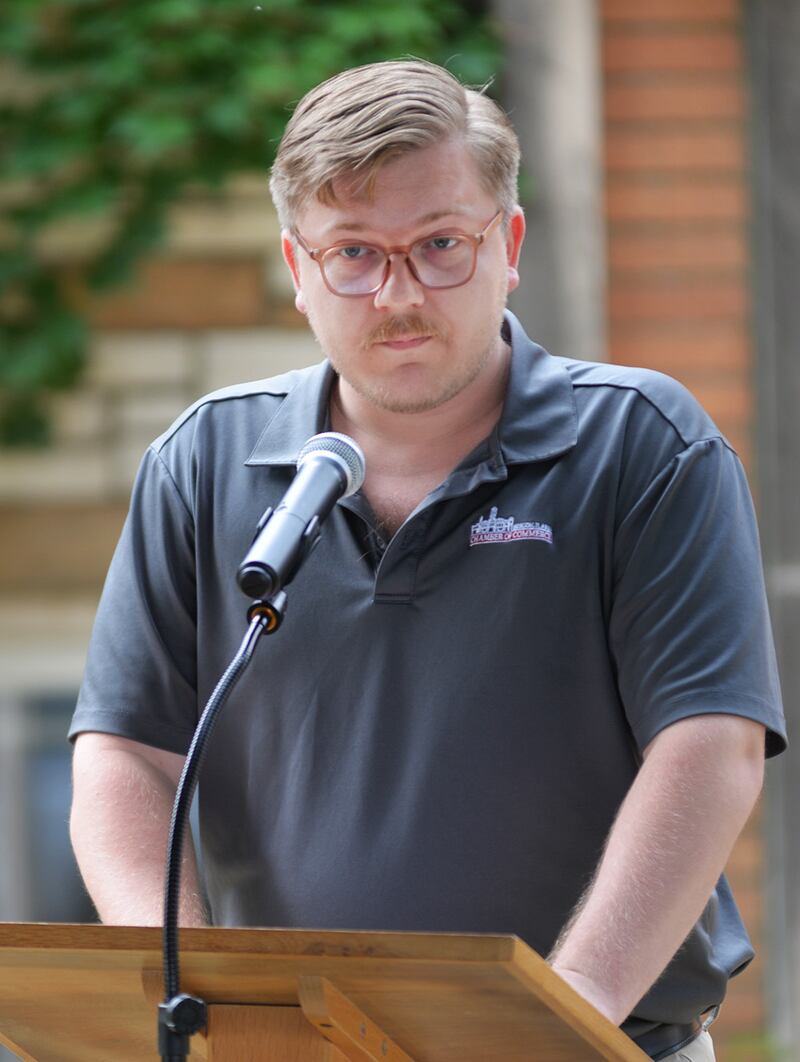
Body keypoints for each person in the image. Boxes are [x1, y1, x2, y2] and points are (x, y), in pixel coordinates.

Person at [69, 59, 785, 1061]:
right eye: (353, 254)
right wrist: (191, 998)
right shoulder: (202, 462)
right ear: (296, 268)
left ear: (510, 244)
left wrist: (560, 1020)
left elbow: (709, 749)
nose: (398, 294)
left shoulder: (644, 446)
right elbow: (127, 756)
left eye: (440, 244)